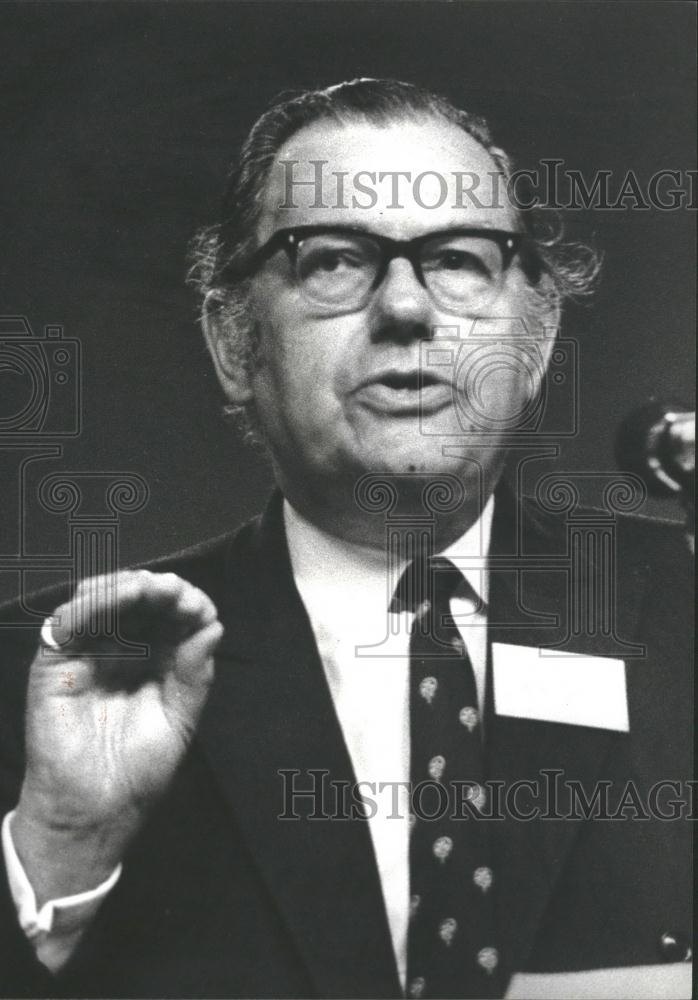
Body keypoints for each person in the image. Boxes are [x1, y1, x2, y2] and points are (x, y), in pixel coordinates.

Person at [0, 79, 692, 1000]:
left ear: (537, 340)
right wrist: (63, 845)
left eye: (458, 258)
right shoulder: (54, 672)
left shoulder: (684, 603)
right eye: (332, 259)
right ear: (235, 343)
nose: (405, 308)